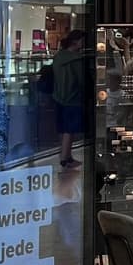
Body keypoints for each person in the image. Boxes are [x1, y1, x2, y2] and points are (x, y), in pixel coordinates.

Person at [53, 29, 87, 168]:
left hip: (58, 97)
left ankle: (66, 156)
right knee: (70, 129)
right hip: (73, 98)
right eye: (82, 40)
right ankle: (65, 159)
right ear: (75, 41)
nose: (84, 43)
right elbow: (82, 81)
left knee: (63, 129)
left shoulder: (58, 56)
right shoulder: (77, 60)